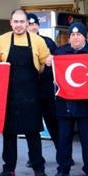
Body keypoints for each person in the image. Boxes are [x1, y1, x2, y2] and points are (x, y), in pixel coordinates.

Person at [0, 9, 51, 176]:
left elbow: (43, 65)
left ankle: (38, 168)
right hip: (8, 96)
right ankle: (8, 169)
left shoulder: (38, 41)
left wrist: (47, 63)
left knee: (33, 133)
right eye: (15, 22)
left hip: (31, 95)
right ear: (11, 23)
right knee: (9, 134)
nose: (18, 25)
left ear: (27, 23)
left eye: (22, 22)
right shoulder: (2, 40)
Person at [53, 22, 88, 176]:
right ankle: (63, 168)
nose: (75, 37)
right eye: (72, 35)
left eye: (78, 34)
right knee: (64, 139)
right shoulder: (59, 52)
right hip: (64, 102)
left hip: (86, 103)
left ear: (85, 36)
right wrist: (49, 62)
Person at [27, 13, 59, 151]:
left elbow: (59, 64)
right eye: (30, 24)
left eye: (35, 24)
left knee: (53, 123)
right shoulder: (21, 43)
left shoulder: (48, 42)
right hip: (29, 91)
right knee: (32, 126)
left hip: (46, 90)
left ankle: (63, 155)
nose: (33, 27)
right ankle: (35, 157)